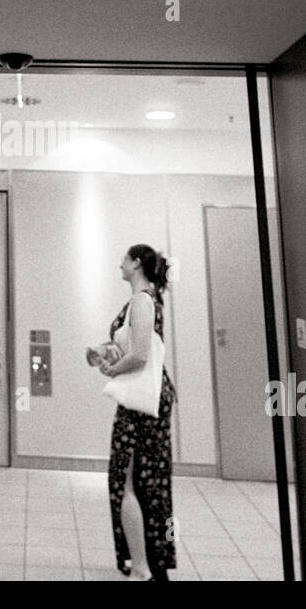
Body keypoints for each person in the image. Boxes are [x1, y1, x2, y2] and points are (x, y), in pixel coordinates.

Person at [98, 244, 176, 581]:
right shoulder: (142, 301)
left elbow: (141, 355)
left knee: (127, 480)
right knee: (140, 480)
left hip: (142, 405)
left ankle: (143, 566)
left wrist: (112, 371)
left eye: (124, 258)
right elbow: (133, 348)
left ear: (137, 263)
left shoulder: (142, 301)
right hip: (145, 401)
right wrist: (107, 355)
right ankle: (145, 561)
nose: (119, 262)